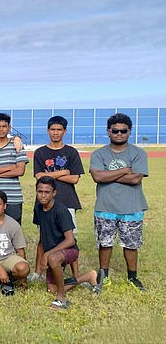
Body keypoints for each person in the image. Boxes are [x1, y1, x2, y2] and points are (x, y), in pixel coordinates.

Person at [90, 113, 149, 291]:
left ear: (129, 132)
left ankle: (132, 277)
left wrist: (108, 175)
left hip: (132, 207)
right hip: (105, 207)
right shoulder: (99, 153)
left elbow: (135, 180)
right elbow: (97, 176)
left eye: (123, 131)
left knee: (131, 244)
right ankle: (104, 275)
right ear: (108, 131)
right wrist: (124, 170)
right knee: (105, 243)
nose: (119, 134)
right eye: (115, 130)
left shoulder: (138, 153)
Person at [31, 116, 84, 281]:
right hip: (44, 202)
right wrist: (63, 172)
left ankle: (76, 276)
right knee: (43, 238)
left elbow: (74, 178)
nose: (55, 133)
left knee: (70, 239)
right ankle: (38, 272)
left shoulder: (71, 152)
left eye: (59, 130)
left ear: (65, 131)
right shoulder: (40, 152)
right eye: (52, 129)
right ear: (48, 131)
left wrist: (50, 176)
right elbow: (39, 176)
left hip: (67, 200)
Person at [33, 176, 99, 310]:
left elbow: (70, 240)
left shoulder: (61, 210)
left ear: (54, 193)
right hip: (53, 253)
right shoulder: (38, 209)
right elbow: (42, 238)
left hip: (70, 251)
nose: (43, 195)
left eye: (47, 192)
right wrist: (38, 268)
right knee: (51, 289)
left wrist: (47, 255)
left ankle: (61, 298)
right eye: (40, 191)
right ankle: (88, 276)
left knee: (53, 258)